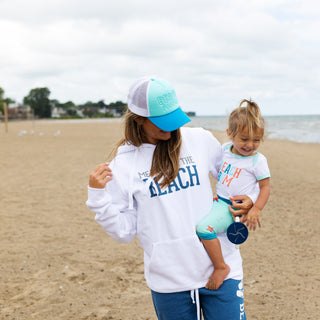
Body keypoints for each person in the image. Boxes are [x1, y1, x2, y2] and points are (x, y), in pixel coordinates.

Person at [86, 77, 253, 320]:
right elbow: (123, 232)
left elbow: (234, 177)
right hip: (170, 281)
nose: (172, 127)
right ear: (138, 119)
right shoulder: (123, 165)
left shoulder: (199, 140)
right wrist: (98, 197)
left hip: (223, 267)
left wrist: (248, 199)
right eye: (162, 122)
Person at [196, 99, 271, 291]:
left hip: (231, 208)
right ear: (230, 134)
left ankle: (221, 267)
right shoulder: (224, 150)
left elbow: (265, 188)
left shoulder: (258, 161)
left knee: (204, 229)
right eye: (244, 139)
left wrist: (255, 208)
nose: (250, 145)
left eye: (256, 140)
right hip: (217, 200)